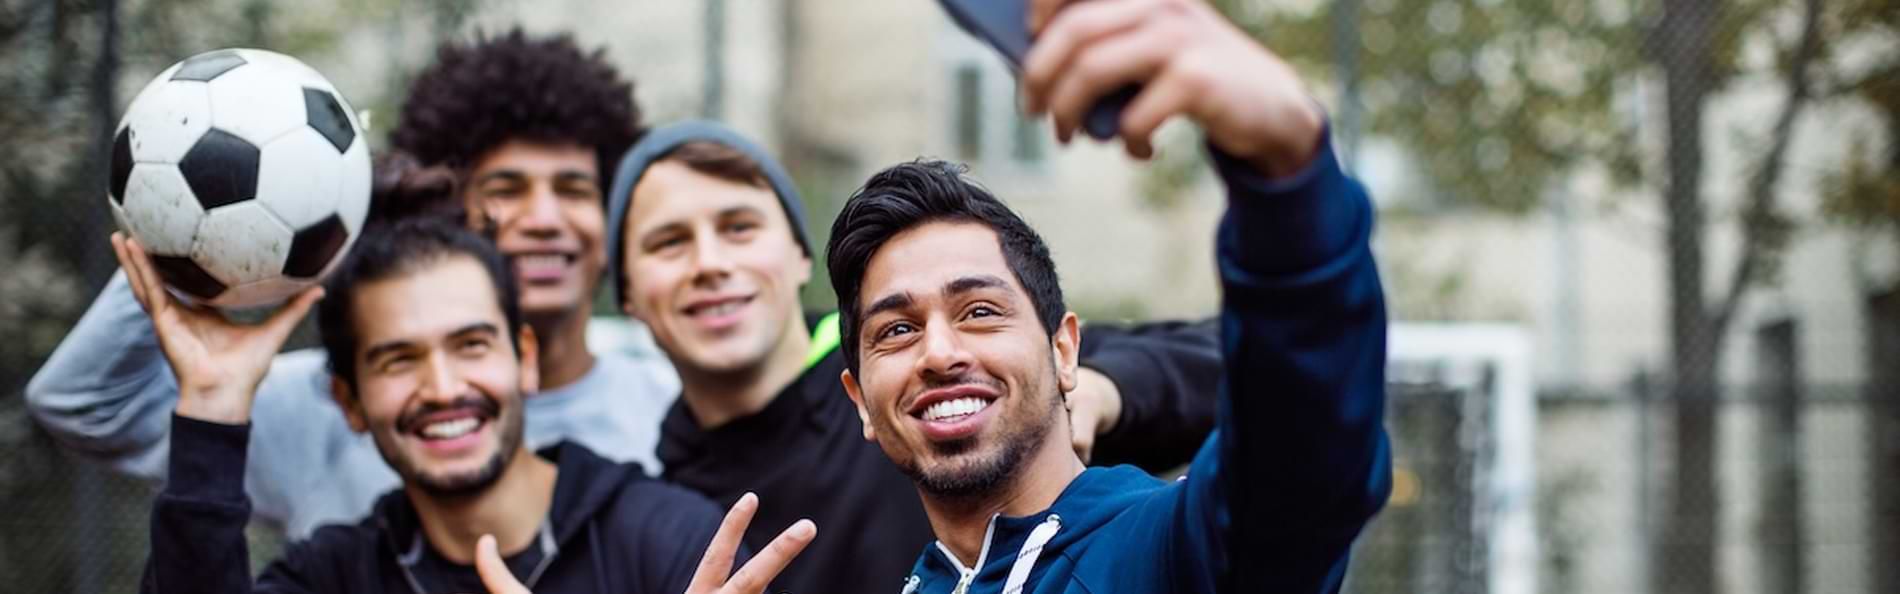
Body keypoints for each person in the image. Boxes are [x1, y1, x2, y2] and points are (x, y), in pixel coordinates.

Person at [824, 0, 1392, 592]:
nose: (938, 353)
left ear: (1066, 351)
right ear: (861, 400)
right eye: (896, 329)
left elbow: (1301, 461)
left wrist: (1287, 169)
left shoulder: (1168, 552)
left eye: (981, 311)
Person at [25, 29, 679, 538]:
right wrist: (189, 245)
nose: (544, 220)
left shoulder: (669, 384)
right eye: (506, 190)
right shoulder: (329, 399)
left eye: (574, 190)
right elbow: (83, 404)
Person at [602, 123, 1223, 593]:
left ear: (796, 254)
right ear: (624, 291)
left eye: (739, 227)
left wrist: (1100, 392)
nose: (940, 353)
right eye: (669, 242)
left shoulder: (994, 367)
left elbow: (1269, 368)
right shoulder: (656, 517)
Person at [125, 216, 814, 594]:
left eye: (471, 345)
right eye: (398, 359)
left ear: (525, 358)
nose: (444, 387)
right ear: (350, 400)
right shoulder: (336, 574)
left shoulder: (668, 542)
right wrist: (212, 411)